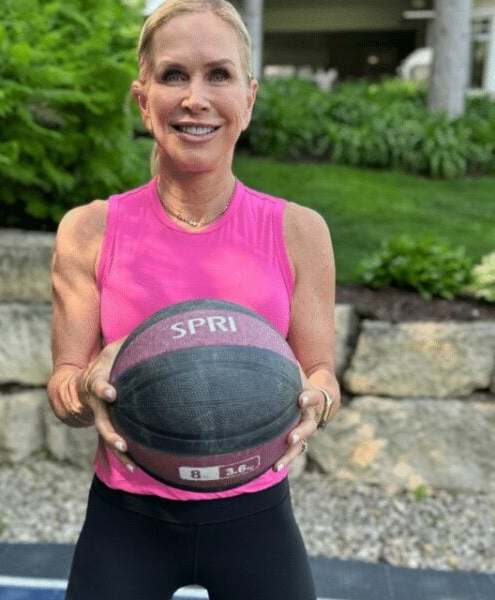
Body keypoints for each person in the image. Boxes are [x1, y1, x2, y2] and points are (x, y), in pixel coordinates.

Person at [47, 1, 340, 598]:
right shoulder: (89, 230)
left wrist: (317, 402)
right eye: (174, 75)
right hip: (128, 518)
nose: (195, 98)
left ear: (250, 98)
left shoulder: (299, 232)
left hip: (256, 516)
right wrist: (91, 385)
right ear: (142, 98)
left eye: (219, 74)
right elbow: (63, 389)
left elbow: (322, 374)